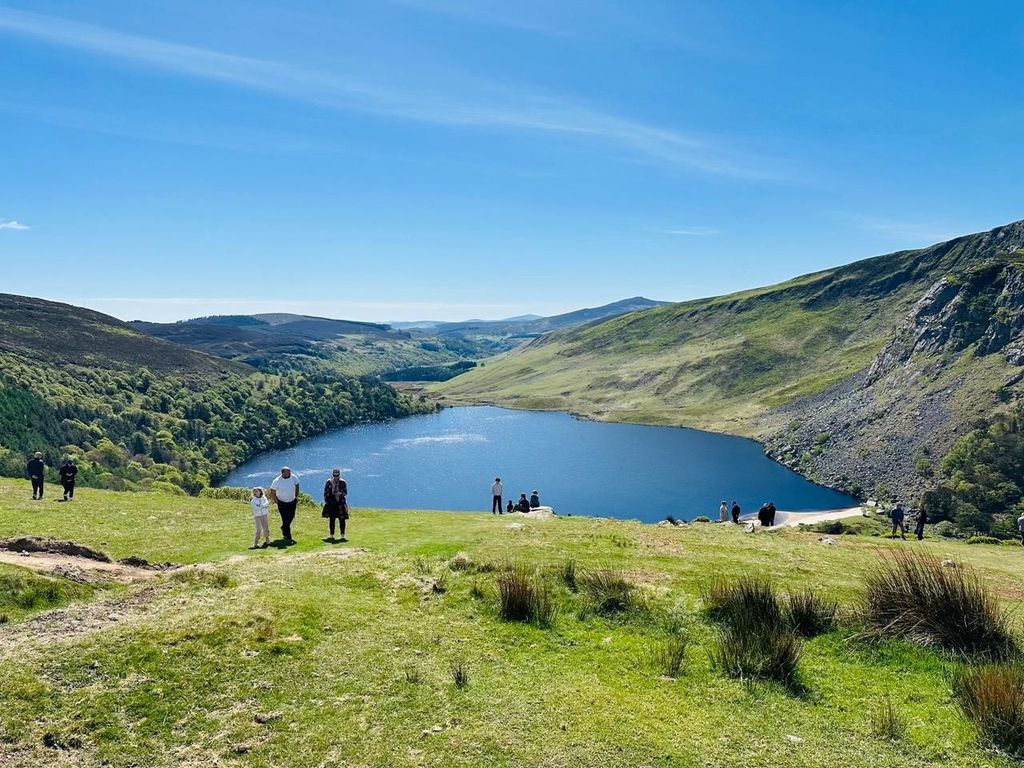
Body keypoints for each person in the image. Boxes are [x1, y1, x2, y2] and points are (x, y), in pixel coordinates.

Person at [269, 466, 300, 542]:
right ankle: (288, 536)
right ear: (282, 473)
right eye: (286, 473)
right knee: (285, 519)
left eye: (289, 472)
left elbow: (297, 485)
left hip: (292, 501)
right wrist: (277, 502)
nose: (288, 474)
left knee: (291, 517)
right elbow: (272, 491)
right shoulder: (277, 481)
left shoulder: (293, 477)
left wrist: (296, 496)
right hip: (282, 502)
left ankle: (283, 528)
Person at [322, 469, 349, 541]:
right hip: (331, 502)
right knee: (332, 519)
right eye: (334, 475)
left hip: (340, 502)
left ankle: (342, 535)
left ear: (339, 475)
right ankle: (331, 535)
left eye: (337, 475)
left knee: (342, 519)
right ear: (333, 475)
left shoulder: (343, 482)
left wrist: (340, 493)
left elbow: (345, 492)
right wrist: (327, 501)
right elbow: (325, 492)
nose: (336, 476)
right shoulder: (329, 482)